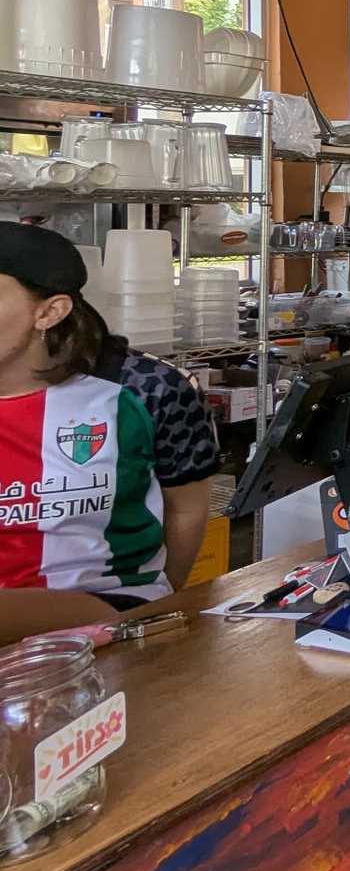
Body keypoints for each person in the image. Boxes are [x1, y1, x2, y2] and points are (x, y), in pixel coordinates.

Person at [0, 223, 218, 643]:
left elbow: (187, 509)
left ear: (49, 312)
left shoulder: (147, 389)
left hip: (107, 608)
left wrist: (159, 611)